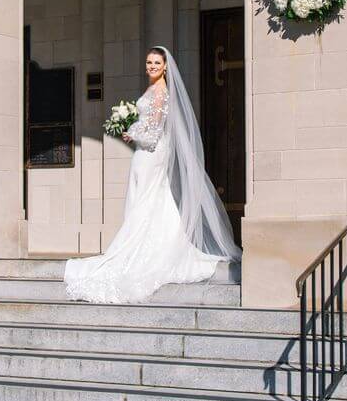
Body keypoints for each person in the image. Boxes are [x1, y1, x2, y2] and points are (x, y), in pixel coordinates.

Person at [64, 46, 239, 304]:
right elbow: (147, 123)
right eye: (149, 62)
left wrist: (131, 133)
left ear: (166, 66)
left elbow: (153, 132)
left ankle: (144, 250)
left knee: (146, 199)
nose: (152, 66)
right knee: (149, 199)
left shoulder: (160, 94)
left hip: (151, 153)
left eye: (157, 63)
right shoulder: (151, 90)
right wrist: (130, 126)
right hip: (145, 153)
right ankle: (148, 242)